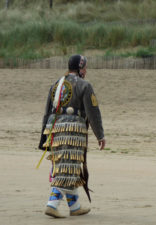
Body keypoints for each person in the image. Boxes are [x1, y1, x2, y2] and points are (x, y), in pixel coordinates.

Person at [38, 54, 106, 218]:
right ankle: (52, 203)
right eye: (85, 68)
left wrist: (43, 137)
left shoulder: (56, 85)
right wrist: (100, 135)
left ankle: (74, 206)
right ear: (79, 68)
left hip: (54, 128)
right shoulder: (84, 85)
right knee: (67, 165)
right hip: (73, 131)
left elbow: (48, 111)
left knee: (68, 165)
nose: (86, 71)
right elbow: (93, 112)